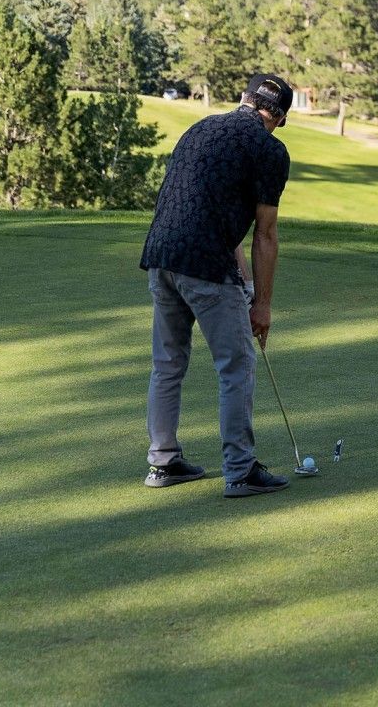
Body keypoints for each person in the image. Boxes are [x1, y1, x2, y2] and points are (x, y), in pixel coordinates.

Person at [139, 73, 295, 498]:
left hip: (161, 256)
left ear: (244, 98)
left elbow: (220, 218)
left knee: (167, 363)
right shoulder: (269, 150)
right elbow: (265, 234)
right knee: (237, 364)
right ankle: (240, 470)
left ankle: (164, 462)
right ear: (279, 118)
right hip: (204, 262)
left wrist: (245, 286)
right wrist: (261, 305)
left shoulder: (199, 128)